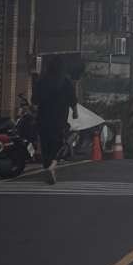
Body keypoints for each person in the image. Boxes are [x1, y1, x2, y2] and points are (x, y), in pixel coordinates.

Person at [33, 53, 79, 184]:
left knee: (46, 144)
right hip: (59, 120)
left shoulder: (42, 81)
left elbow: (34, 100)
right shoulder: (65, 82)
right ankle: (52, 166)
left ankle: (47, 168)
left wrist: (35, 108)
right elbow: (73, 100)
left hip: (43, 118)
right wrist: (75, 113)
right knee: (58, 145)